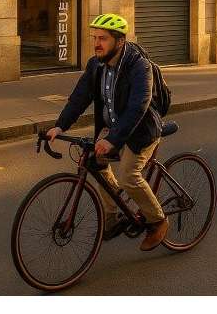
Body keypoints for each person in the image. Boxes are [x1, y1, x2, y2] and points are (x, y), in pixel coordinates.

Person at [46, 13, 167, 251]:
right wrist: (60, 125)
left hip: (142, 131)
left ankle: (158, 221)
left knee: (128, 176)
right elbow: (79, 98)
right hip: (114, 129)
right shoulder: (96, 65)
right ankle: (113, 213)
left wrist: (112, 140)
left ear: (119, 41)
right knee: (94, 162)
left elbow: (137, 107)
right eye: (95, 38)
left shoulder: (138, 66)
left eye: (103, 38)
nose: (96, 43)